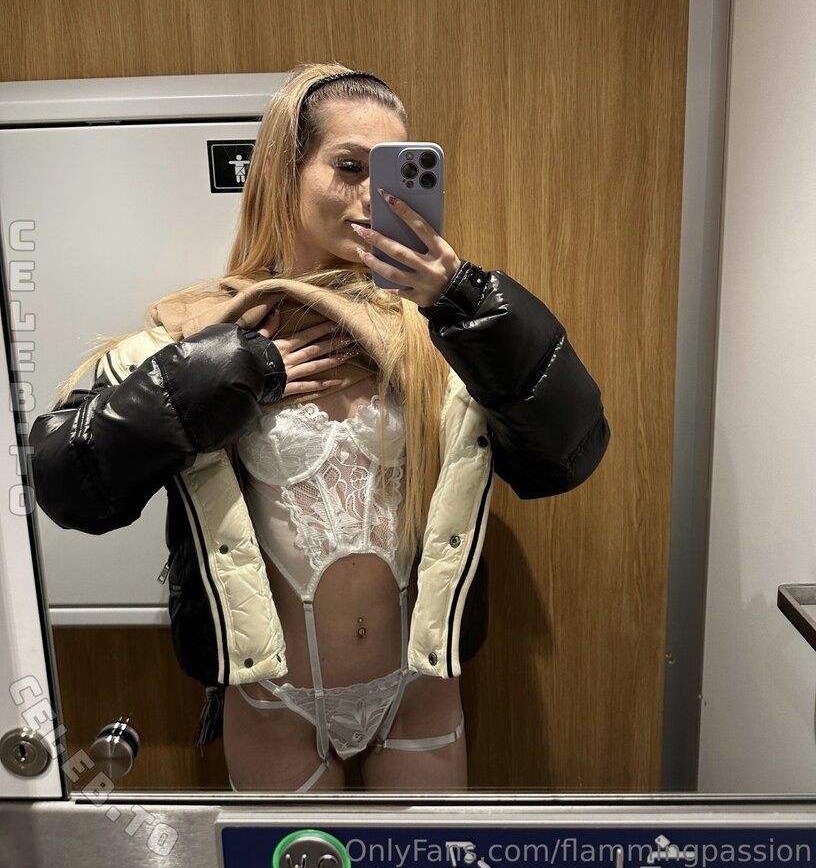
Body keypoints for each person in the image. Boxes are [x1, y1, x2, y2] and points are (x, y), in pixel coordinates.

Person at [29, 62, 610, 793]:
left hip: (419, 692)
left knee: (421, 856)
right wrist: (220, 377)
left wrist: (462, 298)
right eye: (349, 167)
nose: (376, 197)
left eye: (395, 172)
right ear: (284, 172)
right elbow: (67, 483)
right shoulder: (203, 332)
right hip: (275, 701)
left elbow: (567, 452)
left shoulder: (442, 338)